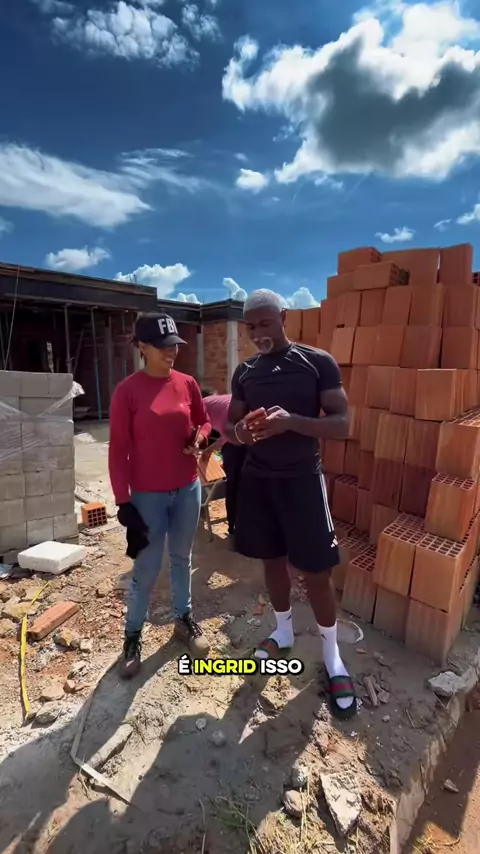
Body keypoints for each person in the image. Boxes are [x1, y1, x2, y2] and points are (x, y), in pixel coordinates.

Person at [226, 290, 357, 719]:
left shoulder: (316, 362)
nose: (258, 333)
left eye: (265, 323)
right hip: (259, 481)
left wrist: (292, 423)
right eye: (251, 327)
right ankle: (282, 633)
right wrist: (243, 431)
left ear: (283, 317)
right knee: (272, 561)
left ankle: (332, 657)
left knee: (316, 571)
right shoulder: (245, 372)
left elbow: (342, 424)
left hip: (302, 481)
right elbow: (232, 426)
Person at [109, 312, 211, 678]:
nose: (172, 352)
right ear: (142, 347)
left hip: (187, 489)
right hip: (148, 497)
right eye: (163, 346)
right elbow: (118, 450)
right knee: (147, 567)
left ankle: (183, 619)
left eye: (175, 345)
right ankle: (132, 636)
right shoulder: (127, 391)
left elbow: (204, 421)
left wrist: (199, 438)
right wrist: (123, 501)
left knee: (182, 557)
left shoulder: (187, 383)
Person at [201, 388, 245, 540]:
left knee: (234, 486)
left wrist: (210, 448)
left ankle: (235, 530)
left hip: (239, 441)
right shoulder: (225, 400)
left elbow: (228, 433)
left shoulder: (202, 406)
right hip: (247, 436)